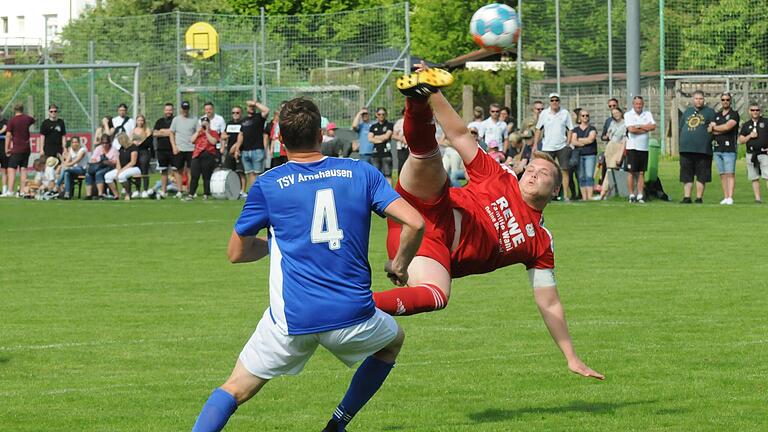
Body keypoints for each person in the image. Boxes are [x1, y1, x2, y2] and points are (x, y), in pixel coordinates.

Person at [190, 97, 425, 432]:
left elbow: (236, 253)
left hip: (291, 322)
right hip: (351, 316)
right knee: (393, 341)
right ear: (320, 134)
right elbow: (415, 223)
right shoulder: (361, 172)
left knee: (235, 388)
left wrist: (276, 244)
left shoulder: (268, 184)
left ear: (280, 139)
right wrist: (400, 265)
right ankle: (337, 425)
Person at [375, 63, 604, 381]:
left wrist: (571, 357)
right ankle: (417, 98)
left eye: (545, 174)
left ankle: (350, 306)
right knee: (428, 157)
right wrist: (435, 93)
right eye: (532, 169)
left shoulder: (539, 241)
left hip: (429, 249)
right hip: (428, 205)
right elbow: (457, 134)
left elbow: (549, 302)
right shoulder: (501, 177)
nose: (534, 173)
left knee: (438, 295)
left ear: (555, 189)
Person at [534, 93, 573, 200]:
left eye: (556, 100)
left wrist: (568, 144)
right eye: (552, 100)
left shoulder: (565, 113)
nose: (554, 102)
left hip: (562, 146)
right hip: (547, 146)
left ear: (559, 101)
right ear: (549, 102)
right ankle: (545, 194)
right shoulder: (544, 114)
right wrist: (535, 145)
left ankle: (565, 195)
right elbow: (538, 129)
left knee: (564, 170)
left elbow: (570, 128)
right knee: (546, 171)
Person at [679, 90, 716, 204]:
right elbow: (681, 127)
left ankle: (699, 197)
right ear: (692, 100)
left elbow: (714, 127)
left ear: (704, 100)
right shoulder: (687, 112)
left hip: (702, 149)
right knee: (687, 174)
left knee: (702, 174)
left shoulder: (710, 112)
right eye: (696, 98)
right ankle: (687, 197)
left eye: (700, 98)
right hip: (686, 148)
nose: (698, 101)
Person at [624, 96, 656, 203]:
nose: (638, 106)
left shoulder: (647, 114)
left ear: (643, 104)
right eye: (636, 104)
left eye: (640, 104)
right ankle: (631, 194)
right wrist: (645, 128)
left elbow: (653, 126)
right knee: (631, 172)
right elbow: (631, 129)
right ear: (633, 104)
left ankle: (640, 195)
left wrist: (639, 126)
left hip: (643, 148)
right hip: (632, 147)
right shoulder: (628, 115)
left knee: (641, 172)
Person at [231, 100, 269, 189]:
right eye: (250, 107)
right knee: (250, 173)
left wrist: (254, 103)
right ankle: (254, 193)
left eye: (253, 107)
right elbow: (241, 135)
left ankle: (260, 192)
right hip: (245, 151)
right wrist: (237, 149)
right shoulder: (243, 120)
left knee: (258, 174)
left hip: (257, 150)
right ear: (246, 109)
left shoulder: (259, 117)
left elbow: (266, 110)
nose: (251, 108)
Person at [710, 92, 740, 205]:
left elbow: (728, 126)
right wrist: (718, 129)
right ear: (721, 101)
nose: (725, 101)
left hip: (729, 149)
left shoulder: (734, 114)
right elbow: (709, 129)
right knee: (722, 174)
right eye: (723, 99)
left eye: (727, 99)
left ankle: (731, 197)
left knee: (730, 173)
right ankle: (725, 196)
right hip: (717, 148)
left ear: (730, 101)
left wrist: (716, 128)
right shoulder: (716, 114)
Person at [738, 103, 768, 203]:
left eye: (757, 110)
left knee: (767, 176)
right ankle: (757, 198)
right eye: (753, 110)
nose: (755, 112)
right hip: (751, 154)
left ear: (760, 111)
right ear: (749, 111)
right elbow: (741, 140)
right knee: (754, 177)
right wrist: (749, 136)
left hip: (764, 153)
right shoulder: (746, 125)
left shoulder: (766, 122)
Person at [4, 103, 36, 197]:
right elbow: (33, 120)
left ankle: (10, 190)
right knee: (23, 169)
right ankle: (23, 191)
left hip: (16, 148)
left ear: (14, 110)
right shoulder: (27, 119)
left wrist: (7, 148)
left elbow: (8, 135)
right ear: (23, 109)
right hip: (26, 148)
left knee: (11, 169)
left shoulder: (12, 121)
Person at [186, 117, 220, 200]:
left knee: (206, 176)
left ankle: (206, 194)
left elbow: (213, 142)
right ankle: (191, 194)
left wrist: (207, 131)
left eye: (206, 123)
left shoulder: (213, 132)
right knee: (194, 175)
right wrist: (198, 131)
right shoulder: (198, 133)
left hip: (208, 154)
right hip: (197, 155)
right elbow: (192, 140)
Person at [170, 101, 198, 198]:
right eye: (183, 108)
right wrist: (174, 146)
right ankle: (179, 190)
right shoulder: (176, 120)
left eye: (186, 109)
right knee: (178, 170)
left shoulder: (194, 119)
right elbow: (171, 133)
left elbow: (198, 132)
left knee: (191, 170)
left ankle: (190, 190)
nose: (185, 111)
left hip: (191, 148)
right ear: (181, 109)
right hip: (179, 148)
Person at [598, 108, 626, 200]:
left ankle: (603, 193)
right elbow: (608, 134)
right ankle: (609, 193)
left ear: (621, 113)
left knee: (611, 169)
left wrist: (622, 153)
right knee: (608, 170)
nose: (615, 115)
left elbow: (625, 139)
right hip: (610, 146)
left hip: (619, 146)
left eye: (617, 112)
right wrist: (607, 135)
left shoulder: (625, 123)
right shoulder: (612, 123)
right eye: (613, 113)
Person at [570, 109, 598, 201]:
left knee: (589, 176)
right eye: (583, 116)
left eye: (587, 115)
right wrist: (584, 140)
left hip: (590, 154)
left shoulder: (592, 128)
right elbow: (573, 141)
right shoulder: (576, 129)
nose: (585, 117)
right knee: (581, 176)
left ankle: (589, 196)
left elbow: (591, 139)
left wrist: (579, 140)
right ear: (580, 118)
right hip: (579, 155)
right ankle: (584, 197)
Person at [220, 105, 246, 198]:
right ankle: (231, 190)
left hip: (239, 151)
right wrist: (223, 145)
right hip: (229, 152)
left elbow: (242, 137)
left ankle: (242, 191)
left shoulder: (243, 123)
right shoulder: (229, 124)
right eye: (233, 113)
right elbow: (223, 136)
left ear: (241, 113)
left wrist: (235, 148)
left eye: (237, 112)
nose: (235, 114)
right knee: (230, 172)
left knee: (240, 172)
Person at [104, 134, 140, 200]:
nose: (119, 142)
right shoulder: (121, 148)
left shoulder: (133, 147)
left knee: (121, 176)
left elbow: (133, 162)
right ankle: (116, 195)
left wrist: (121, 170)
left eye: (120, 140)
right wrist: (118, 170)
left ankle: (128, 193)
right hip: (123, 169)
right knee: (107, 176)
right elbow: (118, 160)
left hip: (134, 168)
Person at [84, 134, 118, 199]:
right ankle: (88, 195)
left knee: (99, 173)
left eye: (106, 143)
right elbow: (92, 159)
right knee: (88, 174)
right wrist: (99, 160)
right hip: (99, 166)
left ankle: (100, 194)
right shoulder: (98, 148)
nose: (104, 145)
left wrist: (108, 161)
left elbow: (116, 162)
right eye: (103, 143)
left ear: (109, 142)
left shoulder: (114, 150)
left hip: (110, 167)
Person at [153, 103, 175, 199]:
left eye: (170, 110)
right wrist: (168, 132)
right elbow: (154, 133)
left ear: (172, 110)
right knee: (163, 171)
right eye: (167, 110)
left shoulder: (175, 120)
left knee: (176, 170)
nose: (168, 112)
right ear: (164, 111)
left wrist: (162, 131)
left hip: (173, 149)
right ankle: (163, 190)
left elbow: (175, 132)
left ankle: (179, 191)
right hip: (161, 149)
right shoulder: (159, 121)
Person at [368, 107, 394, 183]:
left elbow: (387, 137)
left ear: (386, 115)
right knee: (375, 175)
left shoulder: (389, 125)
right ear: (376, 115)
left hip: (386, 154)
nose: (381, 116)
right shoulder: (373, 126)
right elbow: (370, 139)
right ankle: (377, 193)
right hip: (375, 154)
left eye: (383, 114)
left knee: (388, 174)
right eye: (379, 114)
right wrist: (381, 139)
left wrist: (375, 137)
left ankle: (389, 193)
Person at [131, 114, 153, 198]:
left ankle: (145, 189)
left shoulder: (147, 130)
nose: (140, 122)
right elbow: (130, 139)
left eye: (142, 120)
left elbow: (146, 139)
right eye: (138, 120)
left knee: (144, 170)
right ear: (136, 121)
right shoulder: (133, 130)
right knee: (137, 171)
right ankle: (137, 190)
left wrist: (138, 141)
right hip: (136, 151)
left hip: (144, 151)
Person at [265, 101, 288, 169]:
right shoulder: (276, 124)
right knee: (277, 168)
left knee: (286, 169)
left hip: (286, 151)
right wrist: (271, 149)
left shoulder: (290, 123)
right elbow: (273, 138)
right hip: (277, 150)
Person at [0, 108, 8, 196]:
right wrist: (2, 131)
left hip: (3, 149)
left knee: (4, 170)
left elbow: (7, 131)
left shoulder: (6, 122)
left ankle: (5, 189)